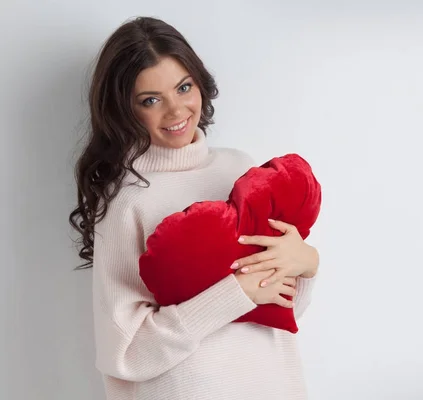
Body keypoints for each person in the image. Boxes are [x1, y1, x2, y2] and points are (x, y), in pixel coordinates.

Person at [69, 16, 320, 400]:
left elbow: (286, 310)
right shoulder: (127, 202)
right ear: (123, 110)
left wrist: (307, 262)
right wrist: (234, 293)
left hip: (273, 384)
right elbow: (126, 351)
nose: (175, 111)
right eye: (150, 100)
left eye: (183, 87)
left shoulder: (240, 169)